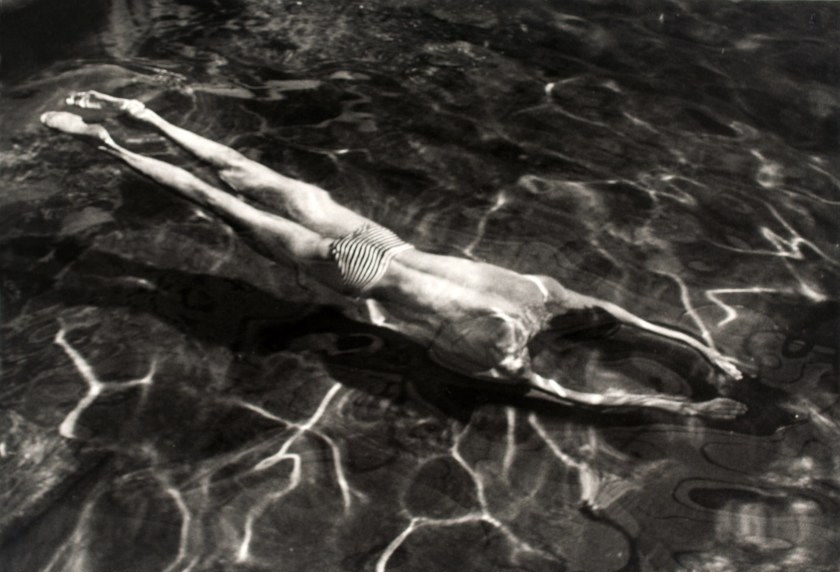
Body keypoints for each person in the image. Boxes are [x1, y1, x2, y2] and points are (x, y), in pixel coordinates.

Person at [41, 91, 747, 419]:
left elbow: (621, 320)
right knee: (221, 204)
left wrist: (700, 349)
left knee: (254, 178)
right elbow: (580, 396)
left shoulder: (542, 293)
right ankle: (104, 141)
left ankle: (143, 117)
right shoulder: (501, 357)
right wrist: (680, 404)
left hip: (380, 240)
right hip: (361, 271)